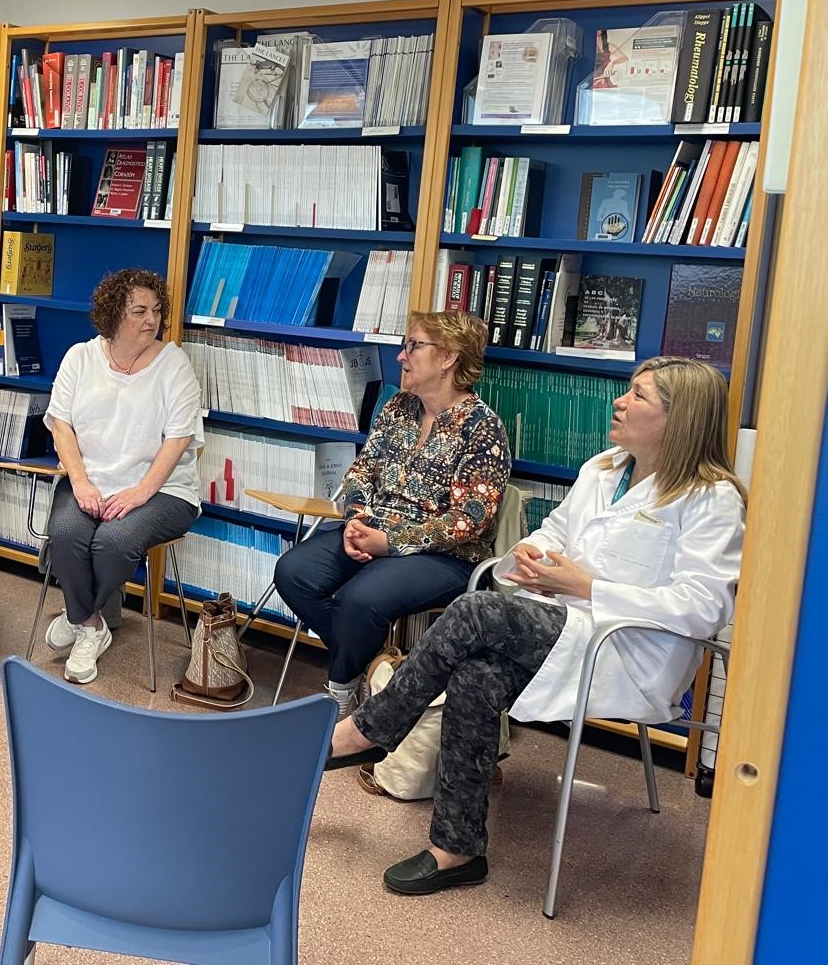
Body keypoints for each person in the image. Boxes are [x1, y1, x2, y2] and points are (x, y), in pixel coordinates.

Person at [326, 356, 745, 895]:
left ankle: (367, 730)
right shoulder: (603, 468)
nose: (619, 402)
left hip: (629, 653)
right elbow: (552, 533)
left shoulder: (711, 498)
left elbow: (703, 606)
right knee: (476, 673)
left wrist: (583, 586)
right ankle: (456, 849)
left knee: (476, 609)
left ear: (680, 418)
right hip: (562, 625)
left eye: (639, 396)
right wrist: (532, 557)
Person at [274, 310, 510, 716]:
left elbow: (470, 518)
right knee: (293, 572)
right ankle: (376, 668)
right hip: (372, 529)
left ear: (449, 357)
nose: (402, 356)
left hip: (443, 557)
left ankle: (342, 688)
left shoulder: (482, 427)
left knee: (359, 599)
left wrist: (392, 543)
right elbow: (361, 471)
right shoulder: (398, 407)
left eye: (413, 346)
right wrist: (356, 519)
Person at [41, 268, 201, 684]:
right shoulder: (81, 357)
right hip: (89, 480)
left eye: (157, 310)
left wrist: (141, 492)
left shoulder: (174, 364)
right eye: (139, 311)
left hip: (164, 490)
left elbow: (179, 438)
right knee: (67, 533)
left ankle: (76, 617)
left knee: (113, 540)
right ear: (113, 315)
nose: (152, 320)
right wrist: (79, 482)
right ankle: (91, 624)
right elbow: (61, 425)